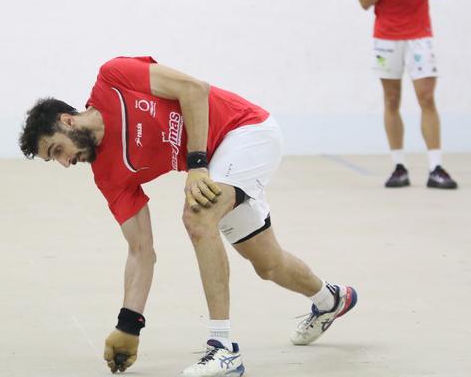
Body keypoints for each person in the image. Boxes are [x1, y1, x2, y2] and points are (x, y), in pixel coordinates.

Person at [19, 56, 358, 376]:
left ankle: (223, 348)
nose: (65, 162)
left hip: (246, 131)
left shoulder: (114, 78)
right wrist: (128, 325)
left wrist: (196, 164)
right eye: (56, 160)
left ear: (67, 121)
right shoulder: (108, 177)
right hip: (220, 165)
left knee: (198, 216)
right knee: (268, 264)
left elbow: (194, 89)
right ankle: (330, 299)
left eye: (58, 150)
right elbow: (140, 251)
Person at [356, 0, 458, 189]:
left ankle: (436, 167)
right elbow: (364, 0)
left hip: (419, 36)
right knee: (391, 99)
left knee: (426, 98)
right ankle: (399, 166)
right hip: (386, 38)